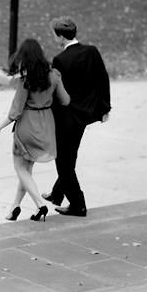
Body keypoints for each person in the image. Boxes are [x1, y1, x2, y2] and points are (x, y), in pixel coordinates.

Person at [0, 39, 70, 222]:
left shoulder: (26, 80)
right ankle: (15, 208)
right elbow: (65, 100)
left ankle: (40, 205)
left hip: (27, 126)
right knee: (26, 170)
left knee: (20, 168)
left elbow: (15, 112)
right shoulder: (54, 75)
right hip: (46, 126)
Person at [43, 17, 111, 217]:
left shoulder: (60, 60)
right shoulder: (91, 51)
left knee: (63, 163)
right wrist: (105, 108)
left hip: (67, 117)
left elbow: (57, 93)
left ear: (61, 36)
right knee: (69, 156)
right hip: (85, 115)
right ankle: (57, 194)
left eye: (54, 34)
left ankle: (78, 204)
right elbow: (102, 79)